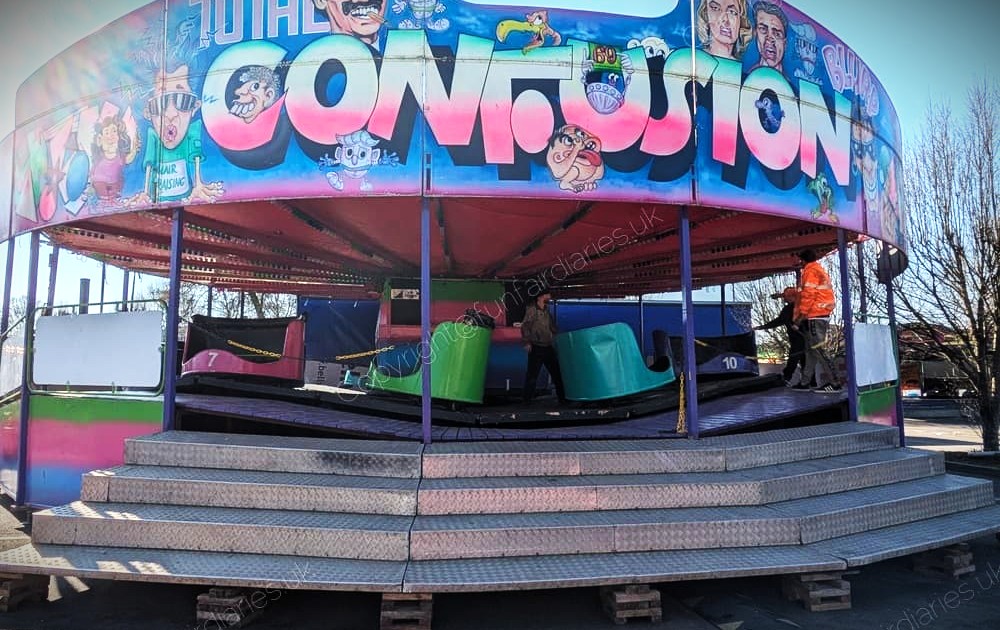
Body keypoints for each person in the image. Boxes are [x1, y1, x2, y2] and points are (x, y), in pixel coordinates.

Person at [792, 249, 842, 393]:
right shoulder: (818, 270)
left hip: (815, 315)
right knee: (811, 351)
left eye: (799, 259)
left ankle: (835, 383)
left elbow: (808, 295)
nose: (798, 262)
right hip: (819, 314)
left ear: (803, 259)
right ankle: (805, 382)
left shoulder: (810, 271)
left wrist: (801, 316)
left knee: (819, 350)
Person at [754, 286, 809, 387]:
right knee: (804, 359)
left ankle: (787, 378)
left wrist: (762, 327)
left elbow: (779, 321)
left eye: (786, 297)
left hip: (800, 337)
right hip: (801, 338)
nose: (784, 299)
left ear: (792, 297)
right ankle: (808, 382)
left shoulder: (794, 309)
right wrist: (762, 327)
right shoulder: (795, 308)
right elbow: (779, 321)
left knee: (795, 358)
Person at [521, 291, 567, 404]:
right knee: (532, 375)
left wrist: (560, 335)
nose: (549, 297)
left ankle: (563, 398)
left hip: (547, 346)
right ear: (540, 296)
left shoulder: (546, 310)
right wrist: (527, 342)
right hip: (536, 346)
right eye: (547, 294)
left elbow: (552, 326)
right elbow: (525, 326)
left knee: (556, 373)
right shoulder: (532, 309)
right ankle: (526, 400)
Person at [750, 1, 788, 72]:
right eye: (763, 29)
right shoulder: (746, 75)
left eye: (777, 34)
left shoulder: (787, 79)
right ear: (755, 33)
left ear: (785, 44)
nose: (769, 39)